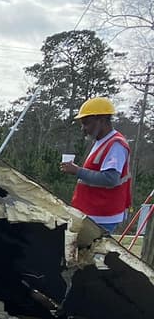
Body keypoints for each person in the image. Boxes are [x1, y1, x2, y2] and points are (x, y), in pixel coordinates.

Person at [60, 97, 131, 233]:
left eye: (86, 123)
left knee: (91, 253)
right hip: (92, 213)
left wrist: (77, 171)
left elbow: (111, 179)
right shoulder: (101, 141)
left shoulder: (115, 144)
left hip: (102, 216)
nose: (83, 128)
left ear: (102, 120)